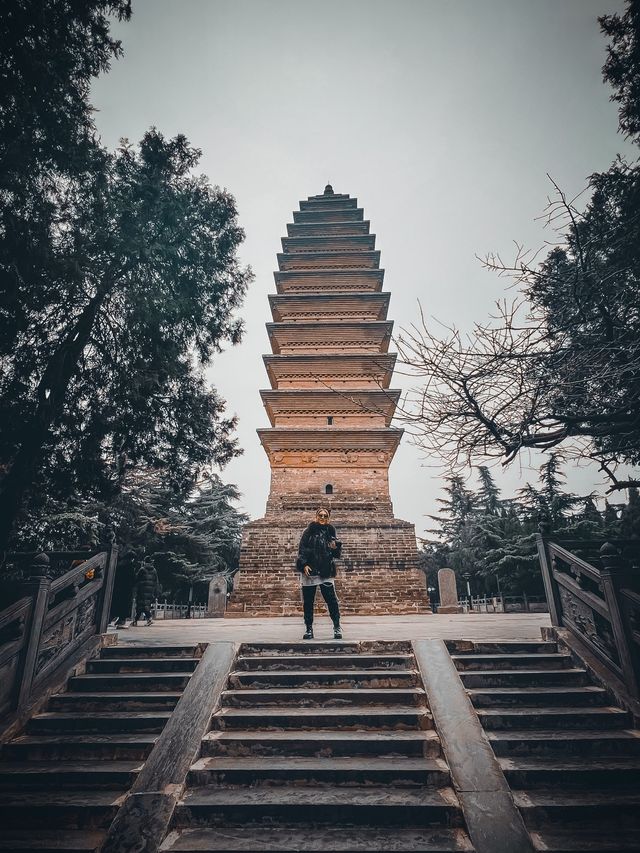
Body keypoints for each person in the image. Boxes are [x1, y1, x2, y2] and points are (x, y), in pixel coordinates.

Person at [296, 507, 343, 640]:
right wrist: (303, 564)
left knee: (332, 600)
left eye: (325, 516)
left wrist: (336, 547)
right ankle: (309, 629)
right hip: (310, 570)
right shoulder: (308, 531)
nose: (323, 518)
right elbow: (302, 549)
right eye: (320, 515)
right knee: (308, 602)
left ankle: (337, 627)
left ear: (328, 518)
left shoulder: (330, 530)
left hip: (325, 570)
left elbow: (335, 553)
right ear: (316, 517)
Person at [133, 558, 159, 626]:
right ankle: (142, 619)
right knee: (145, 605)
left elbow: (136, 578)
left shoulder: (142, 569)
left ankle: (137, 620)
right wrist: (155, 591)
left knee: (140, 606)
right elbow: (156, 581)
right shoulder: (154, 570)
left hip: (142, 590)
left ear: (144, 562)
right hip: (150, 591)